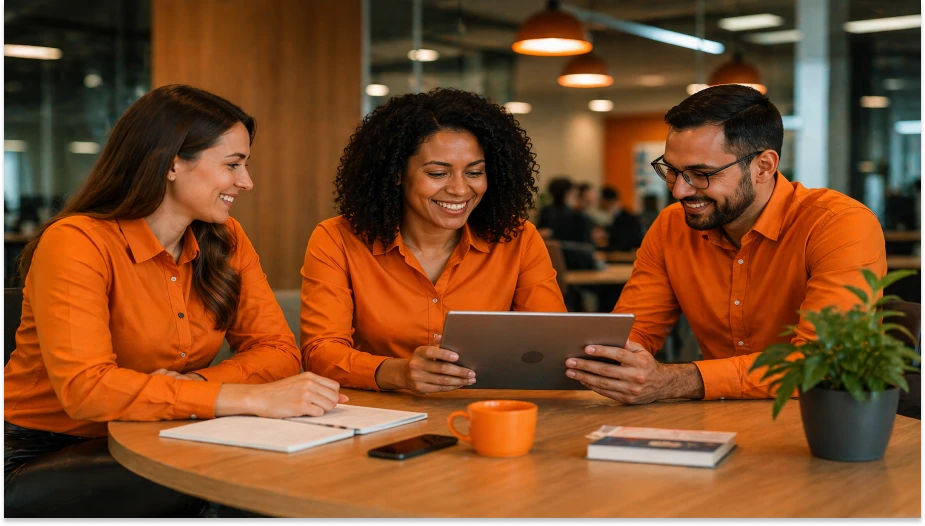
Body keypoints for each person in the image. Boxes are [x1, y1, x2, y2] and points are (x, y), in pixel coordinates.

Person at [3, 85, 346, 519]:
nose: (246, 182)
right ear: (171, 164)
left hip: (160, 430)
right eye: (232, 165)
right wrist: (247, 398)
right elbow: (87, 391)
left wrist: (199, 388)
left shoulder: (226, 239)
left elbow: (278, 351)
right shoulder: (76, 243)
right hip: (47, 451)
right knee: (234, 485)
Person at [564, 84, 887, 403]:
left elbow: (821, 362)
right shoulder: (671, 227)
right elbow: (636, 331)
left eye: (701, 173)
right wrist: (619, 363)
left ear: (763, 166)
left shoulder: (837, 224)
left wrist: (676, 381)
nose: (679, 191)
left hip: (824, 421)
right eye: (672, 172)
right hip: (718, 419)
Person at [300, 88, 567, 395]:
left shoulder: (517, 239)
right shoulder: (337, 239)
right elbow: (320, 353)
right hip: (378, 416)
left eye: (474, 172)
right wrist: (399, 372)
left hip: (487, 410)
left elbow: (550, 346)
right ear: (397, 174)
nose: (459, 189)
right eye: (438, 173)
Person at [598, 186, 642, 251]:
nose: (599, 202)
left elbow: (624, 242)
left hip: (625, 255)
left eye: (601, 199)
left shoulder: (627, 218)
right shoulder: (613, 216)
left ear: (610, 201)